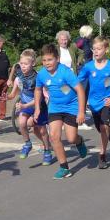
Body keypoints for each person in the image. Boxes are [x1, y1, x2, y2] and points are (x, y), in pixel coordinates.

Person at [34, 43, 88, 179]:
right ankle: (64, 168)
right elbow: (38, 89)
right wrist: (37, 108)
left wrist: (81, 111)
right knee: (54, 136)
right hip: (55, 108)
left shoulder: (65, 72)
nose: (47, 63)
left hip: (71, 107)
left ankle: (79, 141)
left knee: (71, 138)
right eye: (44, 60)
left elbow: (80, 90)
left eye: (50, 60)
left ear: (57, 59)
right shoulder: (42, 74)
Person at [77, 37, 110, 170]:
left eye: (99, 49)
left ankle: (102, 155)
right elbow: (77, 81)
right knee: (101, 129)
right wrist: (65, 88)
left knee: (102, 128)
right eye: (94, 49)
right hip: (94, 103)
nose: (96, 51)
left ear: (106, 50)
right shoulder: (88, 66)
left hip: (108, 102)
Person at [8, 49, 53, 165]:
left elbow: (39, 98)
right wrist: (7, 96)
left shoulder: (37, 78)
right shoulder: (19, 75)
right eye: (21, 63)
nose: (23, 66)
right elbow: (13, 93)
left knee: (41, 130)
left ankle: (47, 150)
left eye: (26, 64)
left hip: (38, 105)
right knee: (22, 123)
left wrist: (24, 105)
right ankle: (27, 144)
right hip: (26, 105)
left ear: (33, 64)